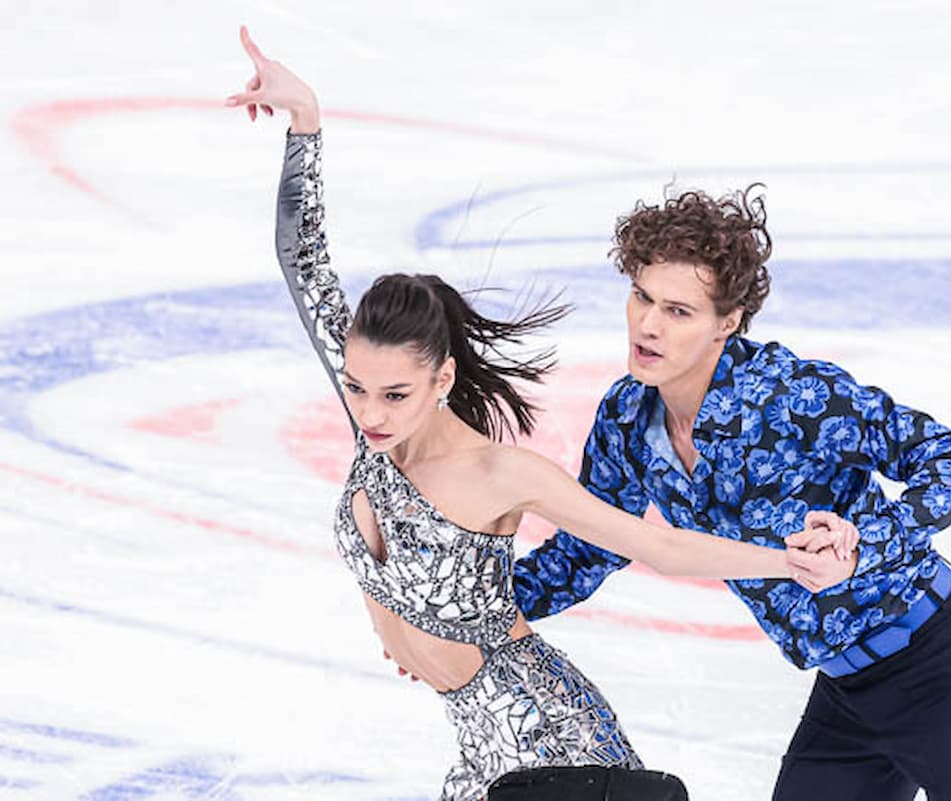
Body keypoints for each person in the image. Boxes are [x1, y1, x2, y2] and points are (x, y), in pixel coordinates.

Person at [224, 27, 854, 801]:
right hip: (479, 750)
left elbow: (654, 544)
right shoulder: (373, 426)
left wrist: (788, 561)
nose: (371, 412)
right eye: (356, 388)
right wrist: (306, 122)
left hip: (552, 747)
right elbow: (303, 260)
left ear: (442, 378)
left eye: (394, 394)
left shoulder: (499, 473)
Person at [512, 184, 951, 799]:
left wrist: (865, 541)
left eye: (679, 311)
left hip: (948, 671)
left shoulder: (792, 397)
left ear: (727, 323)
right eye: (642, 297)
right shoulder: (627, 419)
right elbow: (589, 548)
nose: (648, 325)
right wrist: (470, 616)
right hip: (848, 697)